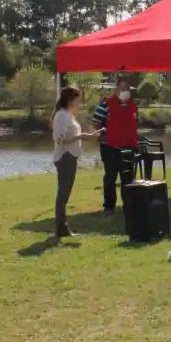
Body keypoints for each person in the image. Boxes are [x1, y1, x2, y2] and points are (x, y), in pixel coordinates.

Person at [51, 86, 101, 238]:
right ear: (70, 99)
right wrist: (81, 137)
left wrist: (88, 135)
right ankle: (61, 228)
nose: (79, 101)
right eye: (78, 98)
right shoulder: (61, 116)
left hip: (71, 157)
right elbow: (60, 140)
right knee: (63, 193)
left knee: (65, 193)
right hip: (65, 157)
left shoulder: (68, 115)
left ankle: (62, 227)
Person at [91, 80, 139, 214]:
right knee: (110, 177)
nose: (126, 91)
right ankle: (109, 206)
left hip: (128, 147)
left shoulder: (133, 106)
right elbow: (96, 122)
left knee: (128, 177)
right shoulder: (105, 105)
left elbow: (135, 123)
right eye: (123, 88)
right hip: (109, 147)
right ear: (116, 89)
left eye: (128, 88)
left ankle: (128, 205)